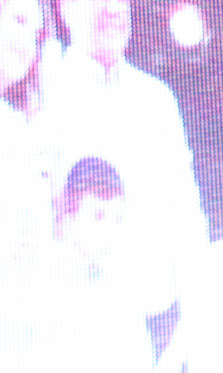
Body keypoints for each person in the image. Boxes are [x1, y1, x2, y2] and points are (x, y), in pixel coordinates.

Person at [37, 0, 208, 325]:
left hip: (154, 322)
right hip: (70, 320)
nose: (114, 8)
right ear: (66, 8)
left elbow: (186, 214)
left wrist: (195, 320)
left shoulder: (157, 100)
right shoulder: (44, 93)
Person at [29, 156, 164, 373]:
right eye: (98, 216)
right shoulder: (49, 284)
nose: (111, 230)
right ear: (69, 220)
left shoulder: (119, 284)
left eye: (118, 218)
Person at [0, 0, 54, 367]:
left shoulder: (22, 135)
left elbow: (29, 257)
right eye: (18, 20)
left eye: (36, 34)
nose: (26, 41)